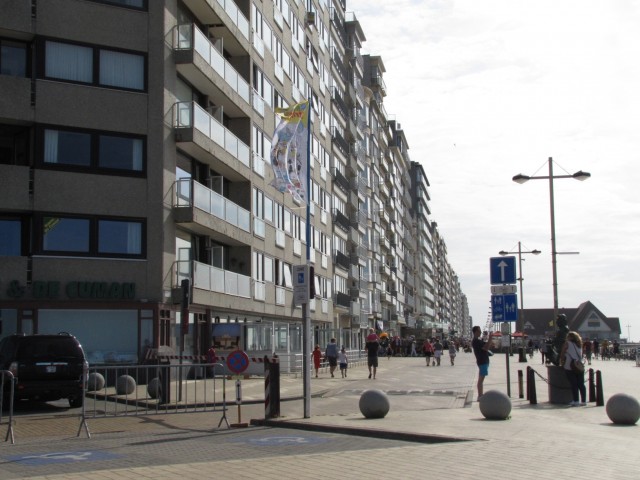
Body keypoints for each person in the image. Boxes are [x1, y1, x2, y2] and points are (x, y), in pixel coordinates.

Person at [560, 331, 587, 406]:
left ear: (570, 337)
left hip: (569, 366)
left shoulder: (567, 343)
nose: (567, 337)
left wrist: (561, 361)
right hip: (579, 366)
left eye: (568, 336)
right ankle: (584, 401)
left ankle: (576, 400)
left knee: (574, 384)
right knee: (581, 384)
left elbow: (562, 353)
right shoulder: (579, 344)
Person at [471, 326, 493, 400]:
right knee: (481, 379)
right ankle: (480, 396)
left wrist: (489, 340)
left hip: (483, 361)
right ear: (476, 332)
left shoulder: (478, 340)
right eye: (479, 331)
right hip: (482, 361)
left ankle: (480, 395)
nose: (480, 332)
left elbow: (487, 345)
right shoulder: (475, 341)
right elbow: (485, 347)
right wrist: (490, 338)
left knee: (481, 379)